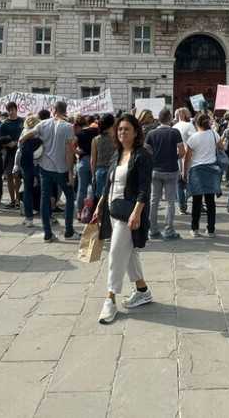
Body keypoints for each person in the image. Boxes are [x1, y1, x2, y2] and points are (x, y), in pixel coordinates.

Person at [94, 113, 153, 324]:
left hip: (129, 214)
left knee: (116, 255)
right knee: (128, 254)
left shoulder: (142, 155)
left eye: (126, 129)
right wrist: (100, 205)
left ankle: (110, 299)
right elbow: (109, 184)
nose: (122, 132)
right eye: (119, 129)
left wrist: (137, 213)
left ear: (136, 131)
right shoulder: (117, 153)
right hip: (113, 210)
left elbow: (144, 188)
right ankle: (142, 290)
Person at [22, 101, 77, 242]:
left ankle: (47, 233)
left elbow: (27, 135)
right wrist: (70, 172)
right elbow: (69, 151)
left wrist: (23, 142)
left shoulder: (43, 124)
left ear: (53, 110)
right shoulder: (68, 127)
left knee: (45, 198)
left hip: (45, 167)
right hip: (62, 169)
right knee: (70, 197)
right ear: (65, 111)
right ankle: (69, 230)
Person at [145, 109, 184, 240]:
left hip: (155, 170)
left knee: (154, 201)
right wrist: (175, 157)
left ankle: (153, 230)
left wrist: (155, 157)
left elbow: (147, 151)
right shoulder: (174, 132)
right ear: (170, 118)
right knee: (170, 201)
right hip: (171, 169)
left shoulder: (151, 133)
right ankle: (169, 230)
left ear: (159, 118)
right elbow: (182, 151)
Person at [183, 112, 222, 238]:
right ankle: (211, 230)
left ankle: (195, 229)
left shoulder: (193, 138)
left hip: (197, 170)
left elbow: (187, 158)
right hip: (211, 169)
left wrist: (184, 173)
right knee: (210, 201)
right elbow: (221, 148)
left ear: (196, 123)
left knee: (196, 201)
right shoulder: (214, 134)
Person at [0, 103, 25, 209]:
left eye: (13, 109)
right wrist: (7, 144)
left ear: (17, 109)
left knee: (17, 177)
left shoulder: (22, 122)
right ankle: (12, 200)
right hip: (9, 153)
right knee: (9, 177)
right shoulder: (4, 124)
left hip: (20, 152)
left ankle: (18, 200)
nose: (11, 111)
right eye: (9, 110)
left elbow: (26, 134)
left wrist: (17, 142)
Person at [18, 114, 43, 228]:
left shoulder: (24, 132)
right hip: (39, 164)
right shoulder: (40, 132)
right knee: (44, 190)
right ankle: (47, 215)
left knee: (27, 190)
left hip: (26, 164)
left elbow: (19, 149)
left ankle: (29, 218)